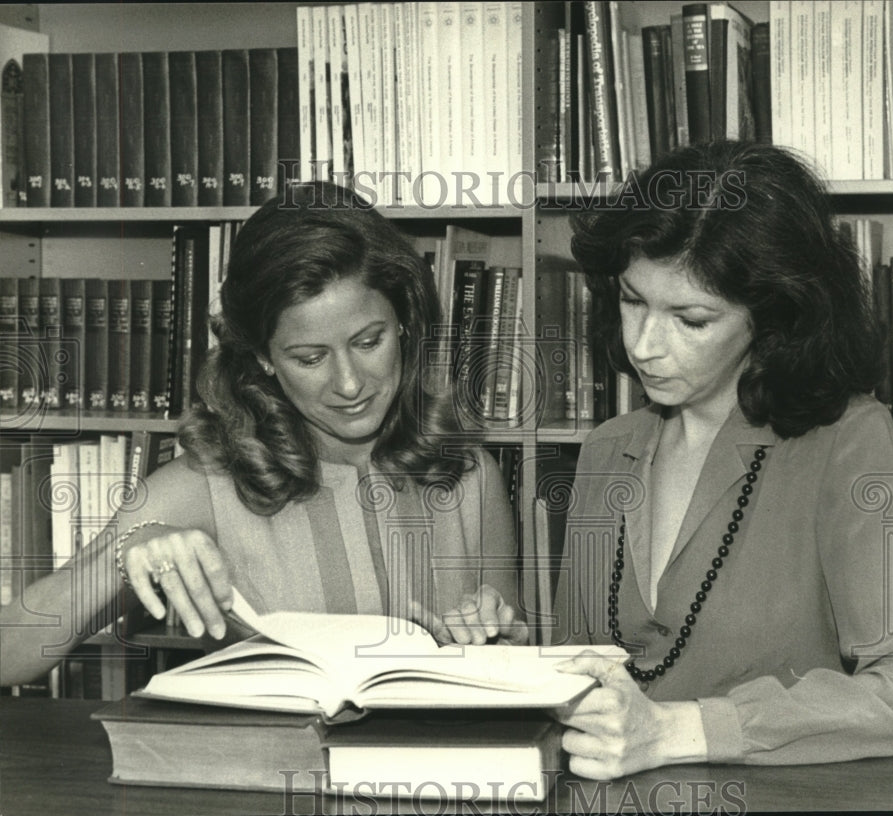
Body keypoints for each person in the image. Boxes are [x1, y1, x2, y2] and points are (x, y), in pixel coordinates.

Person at [1, 183, 526, 687]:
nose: (349, 383)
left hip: (433, 776)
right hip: (264, 773)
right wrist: (128, 553)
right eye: (309, 358)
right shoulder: (205, 485)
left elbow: (513, 663)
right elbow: (9, 656)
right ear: (262, 357)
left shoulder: (470, 473)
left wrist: (499, 639)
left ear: (405, 321)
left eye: (369, 342)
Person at [549, 141, 893, 778]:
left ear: (771, 318)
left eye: (691, 318)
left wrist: (678, 730)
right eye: (632, 301)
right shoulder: (606, 448)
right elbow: (583, 670)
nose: (643, 346)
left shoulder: (847, 438)